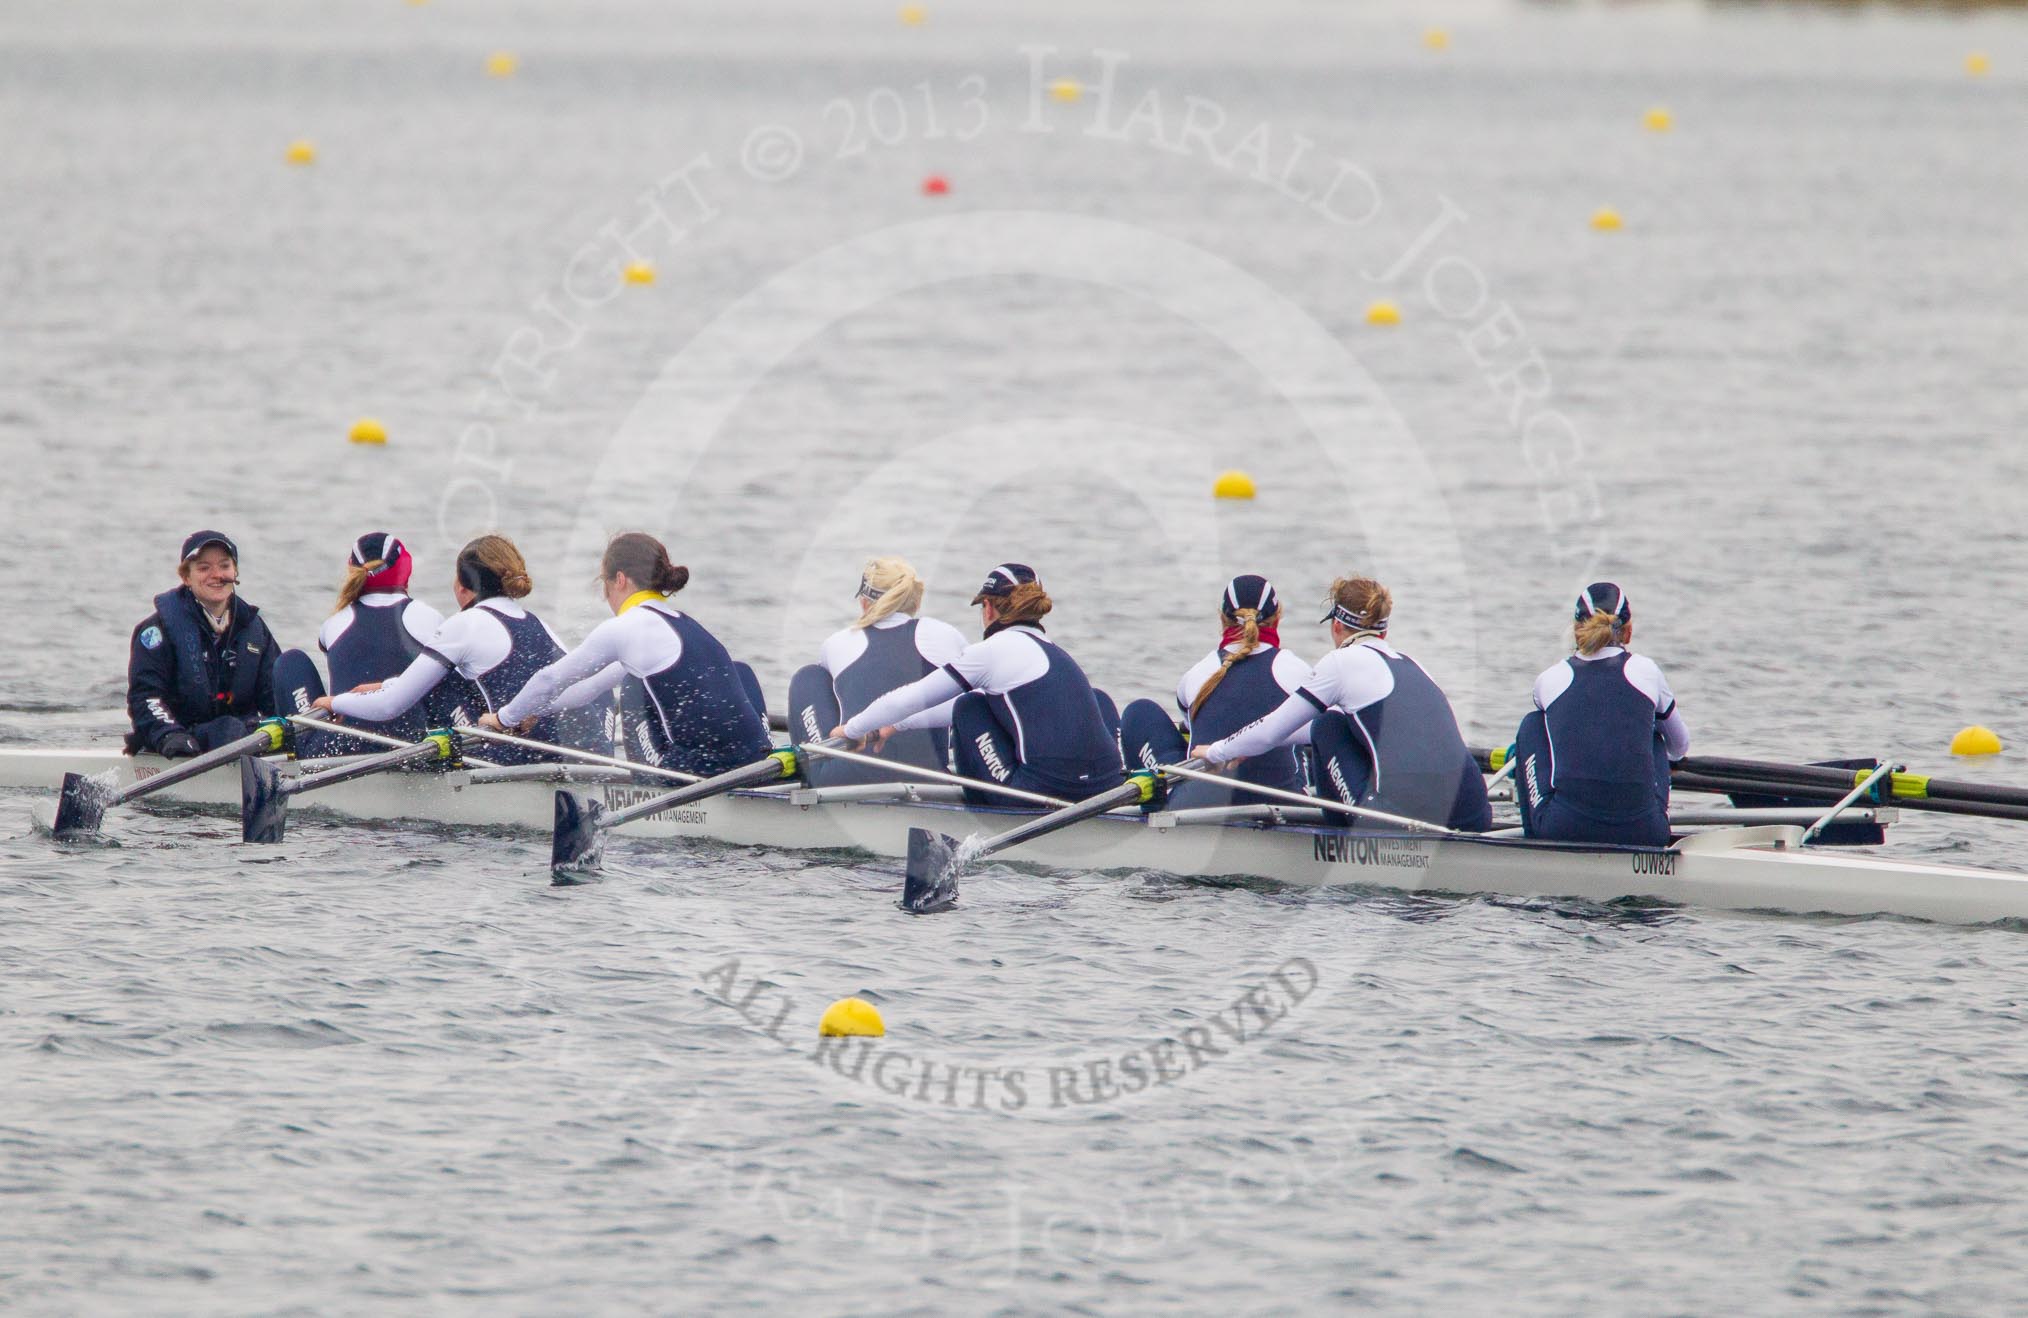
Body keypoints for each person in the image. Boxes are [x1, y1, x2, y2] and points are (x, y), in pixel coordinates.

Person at [1192, 575, 1491, 831]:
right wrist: (1247, 745)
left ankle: (1335, 841)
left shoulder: (1339, 663)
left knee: (1328, 724)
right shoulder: (1414, 664)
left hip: (1405, 819)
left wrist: (1220, 750)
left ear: (1336, 626)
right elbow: (1283, 734)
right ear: (1383, 631)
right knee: (1338, 724)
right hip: (1474, 809)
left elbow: (1274, 730)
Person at [483, 532, 772, 777]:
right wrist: (531, 712)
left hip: (697, 772)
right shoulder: (683, 623)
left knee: (634, 688)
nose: (605, 595)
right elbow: (587, 691)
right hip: (751, 766)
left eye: (604, 584)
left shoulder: (626, 627)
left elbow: (550, 679)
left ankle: (646, 789)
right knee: (738, 669)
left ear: (619, 580)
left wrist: (504, 718)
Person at [836, 563, 1124, 806]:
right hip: (1103, 790)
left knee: (969, 705)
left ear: (988, 609)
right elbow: (918, 711)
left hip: (1038, 793)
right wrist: (897, 726)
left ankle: (974, 813)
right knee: (1095, 698)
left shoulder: (990, 652)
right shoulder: (1057, 654)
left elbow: (910, 699)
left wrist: (853, 729)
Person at [313, 535, 606, 764]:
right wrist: (389, 684)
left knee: (436, 679)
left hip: (510, 763)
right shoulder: (540, 623)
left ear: (463, 587)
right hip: (572, 756)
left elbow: (391, 706)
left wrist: (335, 702)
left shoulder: (463, 625)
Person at [1513, 582, 1689, 847]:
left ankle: (1534, 842)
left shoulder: (1549, 679)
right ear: (1628, 632)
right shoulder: (1647, 671)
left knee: (1533, 723)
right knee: (1655, 735)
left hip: (1563, 828)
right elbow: (1679, 747)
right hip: (1646, 832)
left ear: (1576, 630)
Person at [1119, 574, 1312, 810]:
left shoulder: (1196, 674)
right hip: (1285, 805)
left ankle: (1152, 814)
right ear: (1277, 619)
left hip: (1197, 807)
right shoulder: (1300, 671)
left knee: (1139, 713)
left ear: (1222, 619)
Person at [786, 557, 967, 786]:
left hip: (848, 781)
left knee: (808, 676)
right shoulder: (946, 635)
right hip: (931, 779)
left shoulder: (839, 642)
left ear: (864, 602)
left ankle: (815, 771)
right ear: (914, 602)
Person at [273, 533, 445, 753]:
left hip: (337, 752)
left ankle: (299, 753)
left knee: (291, 662)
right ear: (405, 569)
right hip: (413, 749)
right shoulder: (431, 618)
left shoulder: (333, 624)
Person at [126, 530, 280, 758]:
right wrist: (168, 734)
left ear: (235, 572)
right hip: (179, 742)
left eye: (224, 566)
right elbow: (145, 698)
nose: (216, 575)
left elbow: (274, 697)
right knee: (227, 730)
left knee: (233, 729)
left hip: (240, 738)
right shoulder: (156, 632)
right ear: (186, 577)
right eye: (204, 568)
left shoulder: (254, 629)